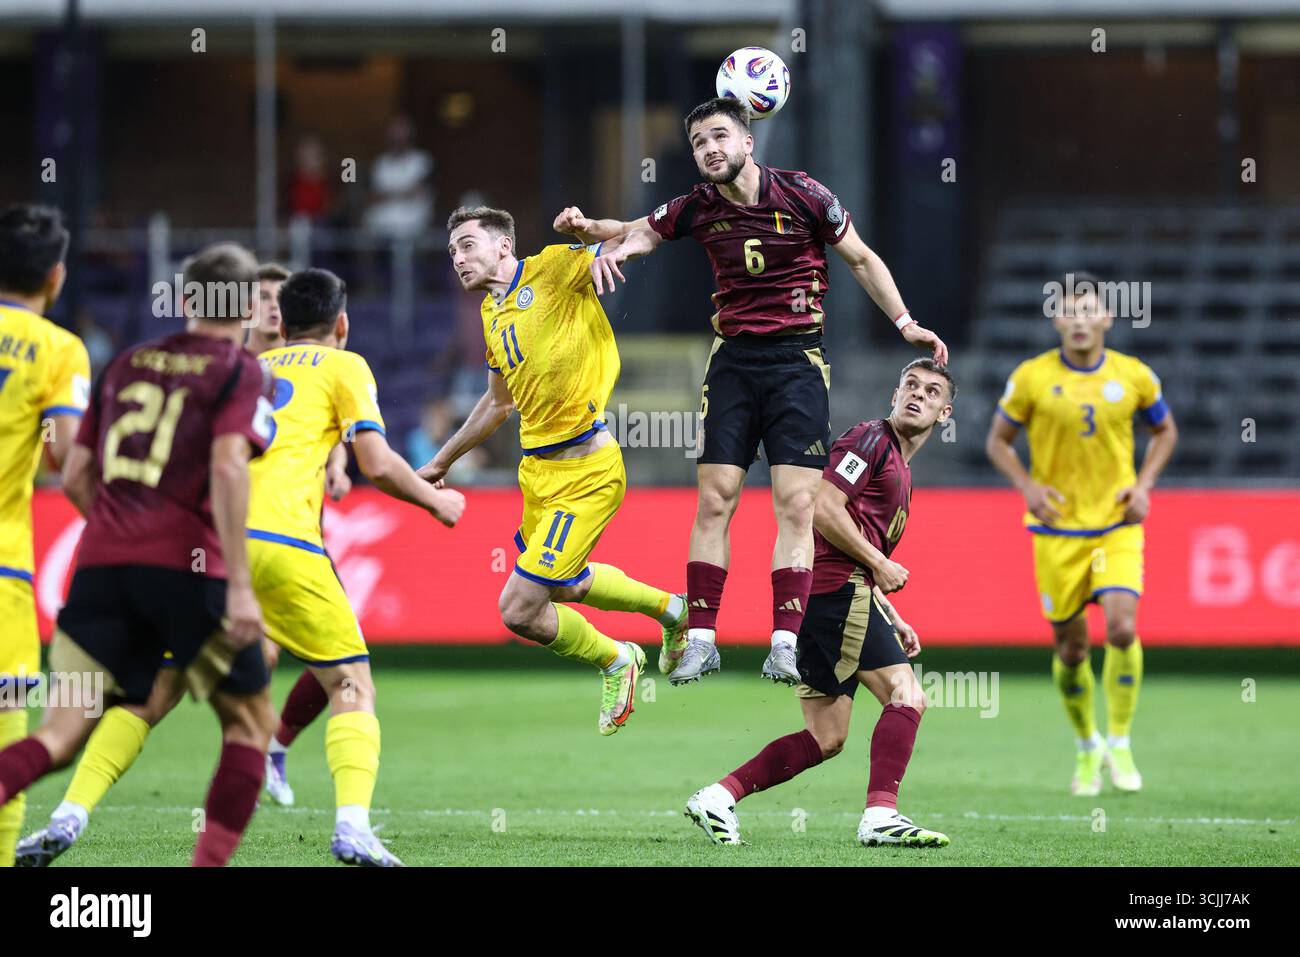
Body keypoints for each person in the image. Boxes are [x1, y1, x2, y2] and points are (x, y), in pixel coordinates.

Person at [17, 267, 465, 869]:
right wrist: (438, 500)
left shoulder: (245, 370)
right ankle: (352, 825)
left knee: (151, 696)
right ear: (342, 324)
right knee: (350, 682)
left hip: (202, 548)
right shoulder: (346, 365)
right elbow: (379, 462)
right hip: (283, 544)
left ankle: (68, 814)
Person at [554, 96, 948, 687]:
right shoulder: (697, 206)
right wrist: (601, 245)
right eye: (698, 144)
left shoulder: (807, 195)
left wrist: (904, 323)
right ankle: (703, 640)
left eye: (719, 137)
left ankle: (783, 643)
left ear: (748, 142)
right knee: (716, 499)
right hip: (733, 364)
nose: (709, 150)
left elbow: (862, 260)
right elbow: (641, 234)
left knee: (795, 505)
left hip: (798, 364)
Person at [0, 241, 276, 867]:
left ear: (185, 300)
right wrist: (236, 586)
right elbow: (231, 463)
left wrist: (118, 529)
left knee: (59, 734)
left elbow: (73, 475)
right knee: (250, 727)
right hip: (187, 568)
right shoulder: (242, 371)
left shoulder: (125, 362)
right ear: (248, 310)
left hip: (98, 568)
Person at [423, 205, 688, 734]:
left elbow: (636, 237)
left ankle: (616, 659)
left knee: (518, 609)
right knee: (563, 588)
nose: (458, 258)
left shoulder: (553, 266)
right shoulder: (491, 314)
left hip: (587, 471)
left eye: (468, 245)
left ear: (503, 246)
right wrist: (442, 459)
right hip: (537, 474)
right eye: (452, 250)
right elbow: (498, 404)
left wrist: (591, 234)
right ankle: (673, 610)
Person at [685, 359, 955, 848]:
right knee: (906, 693)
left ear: (945, 413)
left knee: (827, 737)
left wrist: (892, 616)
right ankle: (880, 816)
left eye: (931, 391)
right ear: (894, 393)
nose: (917, 394)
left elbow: (850, 538)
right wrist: (881, 563)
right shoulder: (870, 440)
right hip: (834, 591)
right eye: (910, 385)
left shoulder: (900, 466)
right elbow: (823, 507)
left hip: (830, 596)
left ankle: (718, 797)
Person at [985, 272, 1177, 795]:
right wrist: (1027, 487)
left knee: (1120, 629)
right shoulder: (1031, 378)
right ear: (1057, 320)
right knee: (1071, 650)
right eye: (1069, 312)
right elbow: (998, 442)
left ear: (1107, 318)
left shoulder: (1134, 375)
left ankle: (1119, 740)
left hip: (1116, 523)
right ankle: (1087, 745)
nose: (1078, 320)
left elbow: (1165, 430)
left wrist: (1144, 485)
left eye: (1088, 310)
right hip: (1057, 530)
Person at [0, 204, 91, 866]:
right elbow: (66, 455)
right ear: (56, 277)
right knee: (7, 726)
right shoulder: (58, 348)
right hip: (3, 568)